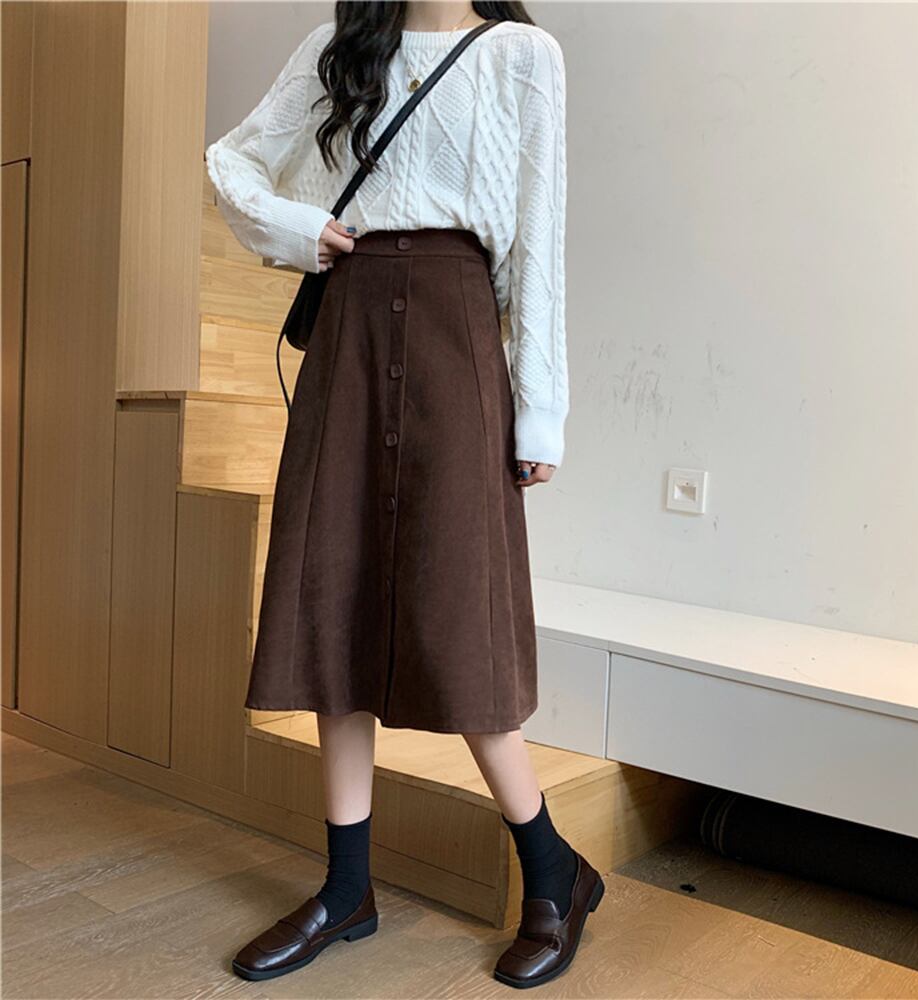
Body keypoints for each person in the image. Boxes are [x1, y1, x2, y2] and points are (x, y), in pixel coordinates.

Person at [204, 0, 599, 988]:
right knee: (333, 599)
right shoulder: (339, 51)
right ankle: (347, 888)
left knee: (459, 611)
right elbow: (233, 162)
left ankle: (553, 868)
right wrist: (301, 227)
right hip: (350, 333)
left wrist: (541, 408)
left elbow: (540, 241)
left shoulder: (522, 56)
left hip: (458, 341)